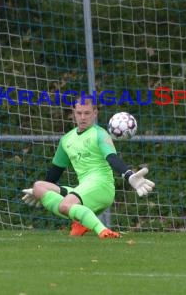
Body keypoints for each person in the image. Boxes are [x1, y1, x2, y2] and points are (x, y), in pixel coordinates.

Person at [21, 96, 155, 239]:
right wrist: (42, 195)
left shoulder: (100, 134)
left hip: (101, 187)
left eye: (87, 113)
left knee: (64, 205)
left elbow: (112, 158)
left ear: (95, 113)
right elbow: (55, 172)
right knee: (38, 186)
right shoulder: (66, 140)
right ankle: (82, 221)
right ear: (74, 113)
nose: (82, 117)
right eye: (79, 113)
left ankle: (102, 230)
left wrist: (129, 175)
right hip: (84, 189)